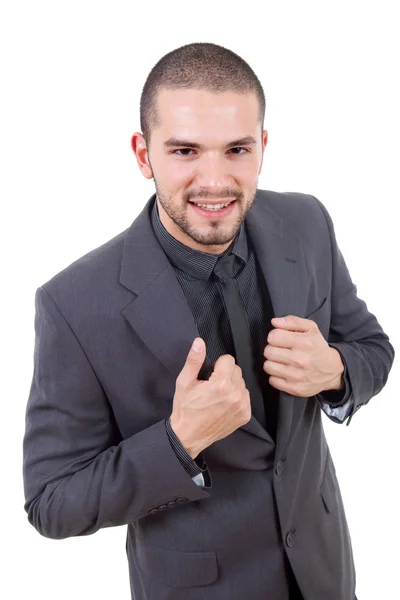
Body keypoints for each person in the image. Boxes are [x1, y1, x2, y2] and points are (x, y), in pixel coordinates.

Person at [22, 42, 395, 600]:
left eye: (237, 149)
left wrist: (336, 370)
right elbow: (51, 500)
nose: (215, 181)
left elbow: (373, 346)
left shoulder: (307, 221)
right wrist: (178, 441)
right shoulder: (73, 304)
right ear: (143, 155)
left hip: (324, 570)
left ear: (262, 147)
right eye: (186, 151)